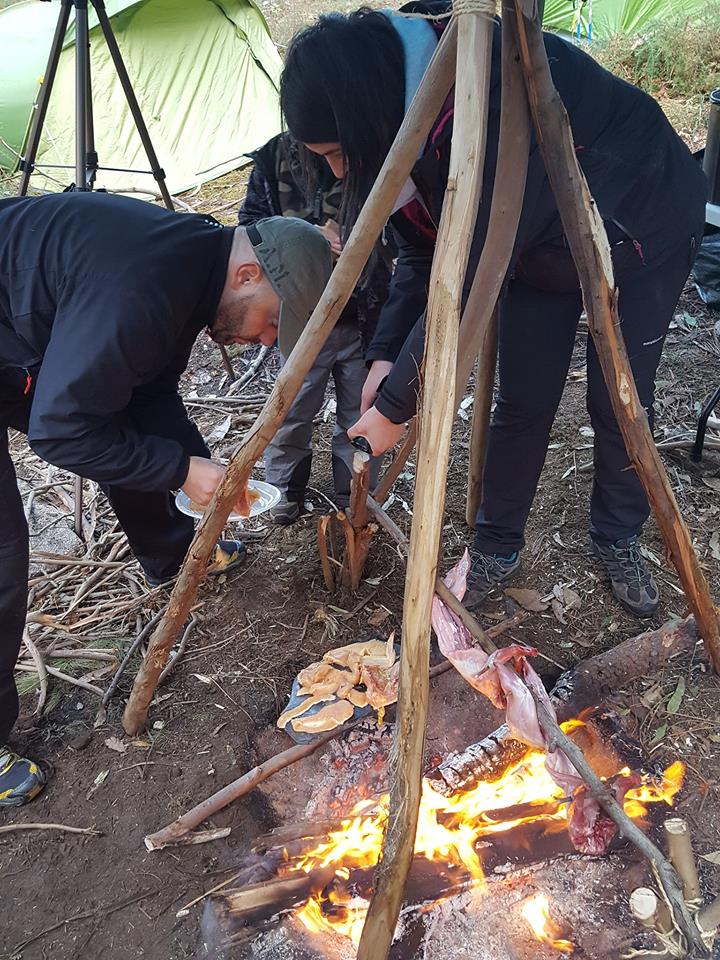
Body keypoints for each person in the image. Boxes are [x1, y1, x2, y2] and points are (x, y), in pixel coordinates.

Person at [280, 2, 707, 619]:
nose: (336, 170)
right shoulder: (405, 125)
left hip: (638, 222)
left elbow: (472, 277)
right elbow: (423, 255)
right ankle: (497, 546)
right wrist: (382, 359)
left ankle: (617, 534)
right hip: (532, 245)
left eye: (337, 152)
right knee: (523, 399)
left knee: (621, 398)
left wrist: (398, 407)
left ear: (364, 114)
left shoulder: (492, 99)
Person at [0, 192, 332, 805]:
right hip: (14, 342)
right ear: (248, 274)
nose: (264, 342)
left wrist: (195, 471)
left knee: (131, 419)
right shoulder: (142, 289)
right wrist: (179, 469)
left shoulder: (193, 265)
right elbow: (60, 430)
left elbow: (141, 392)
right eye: (270, 322)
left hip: (17, 343)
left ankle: (173, 552)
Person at [238, 132, 389, 522]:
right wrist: (305, 242)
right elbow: (250, 229)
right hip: (300, 321)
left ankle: (354, 493)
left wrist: (361, 243)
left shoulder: (371, 151)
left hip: (362, 317)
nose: (334, 163)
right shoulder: (276, 156)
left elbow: (401, 232)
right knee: (292, 408)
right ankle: (284, 491)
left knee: (358, 411)